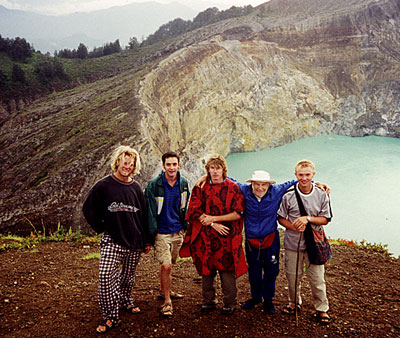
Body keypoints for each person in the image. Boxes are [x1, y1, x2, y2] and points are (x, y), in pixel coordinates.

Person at [82, 145, 152, 334]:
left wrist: (146, 240)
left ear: (134, 166)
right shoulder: (103, 185)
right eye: (124, 163)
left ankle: (125, 301)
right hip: (112, 240)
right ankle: (110, 316)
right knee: (106, 278)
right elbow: (88, 208)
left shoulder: (136, 187)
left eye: (131, 164)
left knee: (127, 277)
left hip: (134, 241)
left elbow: (143, 214)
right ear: (117, 163)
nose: (127, 166)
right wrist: (101, 226)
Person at [180, 154, 246, 315]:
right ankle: (208, 301)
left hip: (226, 238)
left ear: (224, 170)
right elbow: (193, 211)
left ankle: (229, 303)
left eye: (218, 168)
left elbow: (238, 212)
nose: (215, 172)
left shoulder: (233, 187)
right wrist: (212, 223)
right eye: (212, 168)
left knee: (227, 271)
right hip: (206, 236)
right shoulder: (200, 187)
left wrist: (215, 219)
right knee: (207, 270)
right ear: (208, 170)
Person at [277, 160, 333, 325]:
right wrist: (294, 227)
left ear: (313, 175)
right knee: (292, 277)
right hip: (293, 243)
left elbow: (326, 219)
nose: (304, 178)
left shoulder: (322, 194)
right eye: (301, 175)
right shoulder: (288, 195)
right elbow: (281, 218)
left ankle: (322, 309)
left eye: (307, 175)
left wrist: (307, 219)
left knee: (317, 278)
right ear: (296, 176)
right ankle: (294, 303)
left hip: (314, 244)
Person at [145, 152, 190, 317]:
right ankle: (166, 301)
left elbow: (185, 207)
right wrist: (150, 236)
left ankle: (165, 289)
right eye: (168, 164)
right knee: (166, 266)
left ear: (179, 165)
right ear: (163, 165)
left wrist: (184, 228)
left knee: (169, 264)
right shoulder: (154, 185)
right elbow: (149, 211)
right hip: (161, 232)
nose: (171, 167)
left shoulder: (183, 183)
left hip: (177, 231)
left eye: (174, 164)